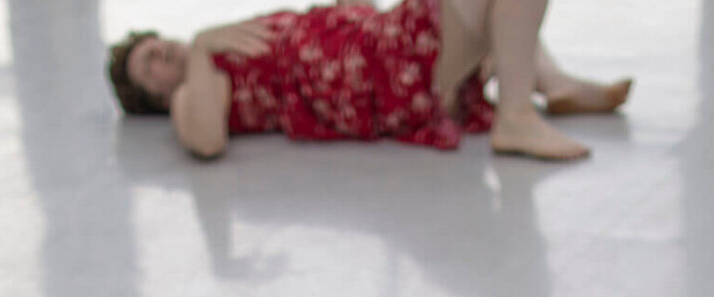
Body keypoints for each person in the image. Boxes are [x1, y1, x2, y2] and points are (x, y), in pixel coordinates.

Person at [107, 0, 633, 162]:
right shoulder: (192, 86)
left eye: (155, 45)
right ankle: (518, 115)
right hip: (380, 74)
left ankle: (554, 85)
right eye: (149, 65)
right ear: (152, 96)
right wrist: (201, 48)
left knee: (495, 19)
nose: (161, 53)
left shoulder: (219, 44)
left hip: (374, 43)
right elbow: (205, 141)